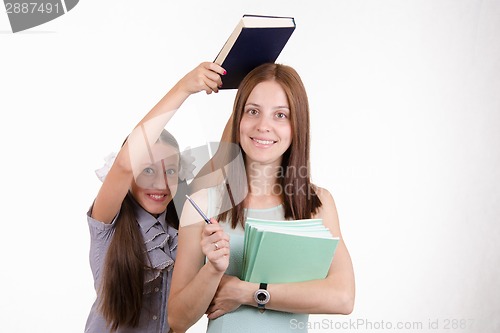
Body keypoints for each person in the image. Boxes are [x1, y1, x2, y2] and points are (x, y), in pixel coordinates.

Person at [168, 63, 355, 333]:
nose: (263, 126)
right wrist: (213, 270)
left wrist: (248, 293)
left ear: (297, 125)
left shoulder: (317, 204)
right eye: (252, 111)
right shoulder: (203, 204)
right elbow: (176, 320)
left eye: (280, 115)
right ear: (238, 119)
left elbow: (343, 297)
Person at [85, 62, 226, 333]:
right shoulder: (106, 224)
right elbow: (126, 161)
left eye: (170, 170)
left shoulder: (184, 220)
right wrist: (185, 87)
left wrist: (250, 83)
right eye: (148, 169)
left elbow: (222, 161)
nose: (160, 183)